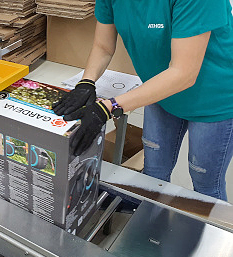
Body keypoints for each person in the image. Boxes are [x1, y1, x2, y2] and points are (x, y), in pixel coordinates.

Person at [53, 0, 233, 201]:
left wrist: (110, 106)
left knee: (205, 184)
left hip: (212, 100)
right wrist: (86, 82)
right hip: (159, 91)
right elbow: (103, 46)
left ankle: (211, 231)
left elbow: (184, 73)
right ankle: (150, 223)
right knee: (154, 171)